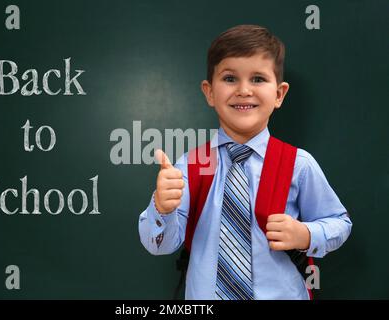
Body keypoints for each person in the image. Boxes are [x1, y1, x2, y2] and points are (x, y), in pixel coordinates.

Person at [138, 24, 352, 300]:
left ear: (279, 94)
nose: (243, 90)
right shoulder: (190, 165)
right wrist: (162, 208)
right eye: (229, 78)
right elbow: (160, 246)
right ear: (209, 92)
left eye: (258, 79)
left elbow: (339, 222)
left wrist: (306, 234)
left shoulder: (298, 164)